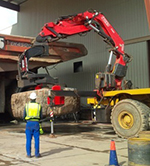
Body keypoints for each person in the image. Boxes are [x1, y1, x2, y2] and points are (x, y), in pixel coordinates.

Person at [23, 92, 43, 158]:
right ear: (35, 99)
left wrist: (25, 120)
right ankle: (37, 154)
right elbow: (41, 116)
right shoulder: (39, 106)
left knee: (28, 139)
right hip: (36, 123)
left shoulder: (27, 106)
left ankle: (28, 154)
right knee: (36, 139)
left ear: (30, 99)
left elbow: (24, 116)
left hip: (29, 123)